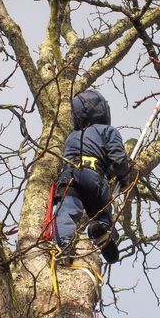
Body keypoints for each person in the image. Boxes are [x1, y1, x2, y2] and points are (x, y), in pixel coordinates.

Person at [55, 90, 130, 265]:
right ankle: (102, 229)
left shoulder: (71, 137)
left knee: (65, 211)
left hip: (68, 177)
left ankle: (64, 245)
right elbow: (118, 159)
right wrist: (123, 177)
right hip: (94, 176)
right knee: (101, 210)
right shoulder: (107, 130)